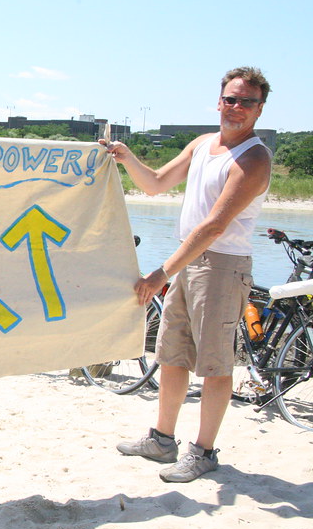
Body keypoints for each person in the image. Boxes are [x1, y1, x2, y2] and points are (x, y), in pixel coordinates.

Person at [103, 66, 272, 483]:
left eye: (246, 102)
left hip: (222, 266)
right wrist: (127, 159)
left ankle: (204, 452)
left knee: (214, 363)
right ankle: (162, 440)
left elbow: (213, 227)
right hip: (187, 261)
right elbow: (157, 184)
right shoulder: (201, 144)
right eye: (230, 99)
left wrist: (161, 271)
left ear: (259, 110)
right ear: (218, 101)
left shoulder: (253, 157)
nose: (236, 108)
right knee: (172, 353)